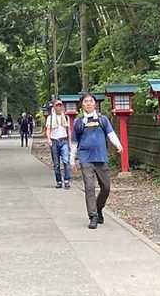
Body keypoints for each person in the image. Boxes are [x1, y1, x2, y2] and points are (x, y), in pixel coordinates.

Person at [71, 94, 122, 229]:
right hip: (85, 157)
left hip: (101, 156)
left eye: (91, 101)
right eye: (85, 101)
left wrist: (118, 145)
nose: (88, 103)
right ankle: (93, 216)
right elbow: (74, 142)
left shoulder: (102, 119)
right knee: (89, 187)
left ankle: (99, 208)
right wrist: (72, 159)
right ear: (82, 105)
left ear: (95, 104)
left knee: (106, 187)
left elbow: (110, 133)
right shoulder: (78, 122)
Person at [45, 99, 72, 189]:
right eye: (57, 105)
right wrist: (48, 139)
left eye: (60, 105)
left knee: (66, 161)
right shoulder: (50, 118)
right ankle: (59, 181)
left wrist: (70, 141)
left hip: (64, 140)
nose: (59, 107)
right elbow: (48, 129)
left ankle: (67, 180)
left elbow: (68, 130)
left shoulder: (66, 117)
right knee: (56, 163)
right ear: (54, 107)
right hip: (54, 141)